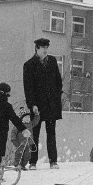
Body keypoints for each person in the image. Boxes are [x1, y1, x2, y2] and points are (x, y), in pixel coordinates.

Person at [23, 37, 63, 170]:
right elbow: (28, 88)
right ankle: (33, 162)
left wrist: (57, 96)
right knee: (35, 134)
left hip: (51, 104)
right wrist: (32, 104)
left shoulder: (52, 61)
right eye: (43, 47)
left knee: (51, 133)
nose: (46, 50)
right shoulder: (29, 65)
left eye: (47, 47)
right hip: (37, 106)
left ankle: (53, 161)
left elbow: (58, 81)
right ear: (37, 48)